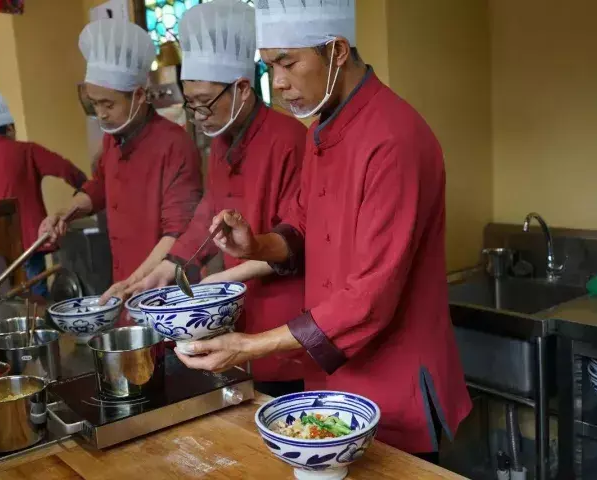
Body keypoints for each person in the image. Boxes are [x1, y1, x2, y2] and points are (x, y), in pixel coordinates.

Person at [174, 0, 472, 464]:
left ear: (335, 51)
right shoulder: (322, 131)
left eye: (288, 62)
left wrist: (249, 346)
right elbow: (302, 229)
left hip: (393, 383)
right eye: (269, 66)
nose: (279, 82)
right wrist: (255, 245)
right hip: (333, 379)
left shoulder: (394, 138)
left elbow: (371, 296)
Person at [102, 0, 307, 398]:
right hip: (238, 315)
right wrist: (170, 265)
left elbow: (297, 239)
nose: (197, 116)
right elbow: (208, 211)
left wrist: (221, 279)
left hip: (286, 315)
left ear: (244, 88)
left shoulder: (288, 139)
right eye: (190, 104)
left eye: (205, 103)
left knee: (284, 402)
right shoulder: (221, 144)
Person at [39, 19, 203, 318]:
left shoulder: (174, 145)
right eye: (94, 104)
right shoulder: (114, 138)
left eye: (108, 104)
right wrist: (68, 211)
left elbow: (178, 231)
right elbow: (101, 184)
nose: (101, 113)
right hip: (127, 285)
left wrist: (134, 281)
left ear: (139, 96)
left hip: (165, 289)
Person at [0, 91, 87, 297]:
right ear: (10, 128)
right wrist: (84, 186)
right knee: (37, 295)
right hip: (31, 242)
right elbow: (63, 167)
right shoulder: (26, 151)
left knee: (7, 297)